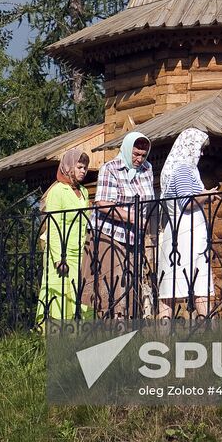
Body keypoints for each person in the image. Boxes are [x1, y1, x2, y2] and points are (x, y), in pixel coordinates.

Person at [81, 130, 154, 319]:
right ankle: (111, 328)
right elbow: (102, 204)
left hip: (133, 236)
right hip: (109, 234)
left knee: (131, 285)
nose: (139, 159)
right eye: (136, 154)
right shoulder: (111, 168)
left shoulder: (147, 169)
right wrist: (131, 217)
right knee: (112, 284)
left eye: (143, 155)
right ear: (127, 149)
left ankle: (128, 329)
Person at [157, 128, 218, 319]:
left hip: (191, 232)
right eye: (199, 148)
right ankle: (165, 332)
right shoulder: (182, 169)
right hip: (183, 232)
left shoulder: (186, 169)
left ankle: (207, 328)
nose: (200, 153)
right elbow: (186, 202)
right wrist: (206, 195)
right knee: (172, 284)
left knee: (200, 282)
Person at [36, 148, 90, 326]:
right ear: (69, 167)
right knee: (58, 294)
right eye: (80, 167)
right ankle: (49, 335)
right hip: (61, 253)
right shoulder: (58, 190)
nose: (83, 171)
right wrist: (59, 258)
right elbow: (53, 226)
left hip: (79, 251)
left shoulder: (84, 191)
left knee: (76, 295)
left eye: (85, 168)